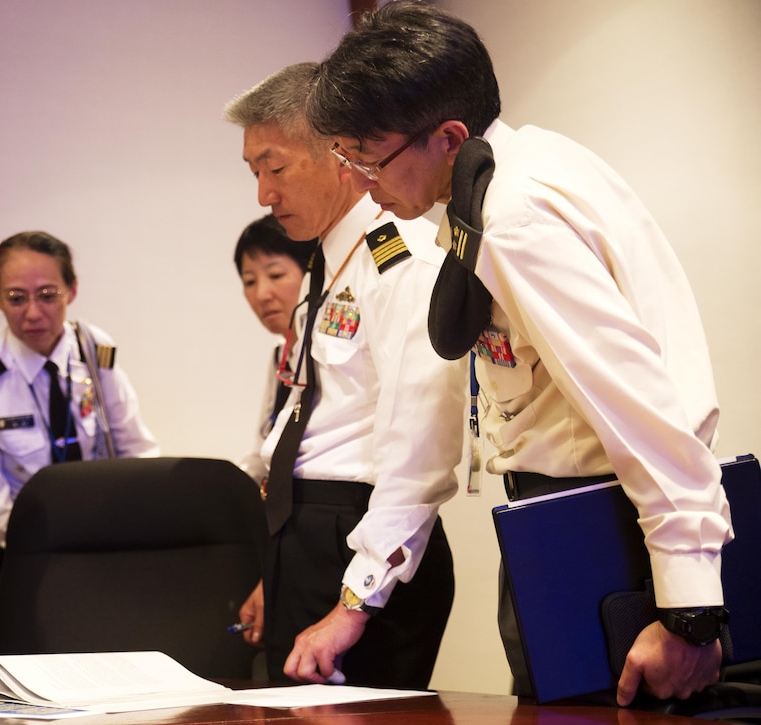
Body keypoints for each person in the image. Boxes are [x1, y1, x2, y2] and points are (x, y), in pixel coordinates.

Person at [305, 1, 733, 706]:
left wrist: (687, 613)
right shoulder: (512, 173)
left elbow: (644, 406)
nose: (362, 181)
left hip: (600, 536)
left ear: (446, 137)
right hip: (577, 525)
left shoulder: (513, 218)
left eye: (368, 158)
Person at [223, 62, 466, 688]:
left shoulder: (400, 255)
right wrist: (273, 572)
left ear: (339, 154)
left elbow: (420, 443)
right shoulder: (328, 257)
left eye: (275, 168)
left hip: (354, 538)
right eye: (253, 172)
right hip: (303, 533)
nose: (263, 194)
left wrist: (355, 599)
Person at [0, 231, 159, 593]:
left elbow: (135, 448)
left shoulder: (94, 351)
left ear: (72, 291)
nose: (33, 313)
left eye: (48, 296)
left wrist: (134, 526)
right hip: (22, 548)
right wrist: (46, 547)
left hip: (105, 541)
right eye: (16, 298)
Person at [233, 214, 313, 483]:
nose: (262, 294)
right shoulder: (281, 356)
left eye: (276, 274)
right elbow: (263, 447)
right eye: (250, 281)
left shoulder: (323, 352)